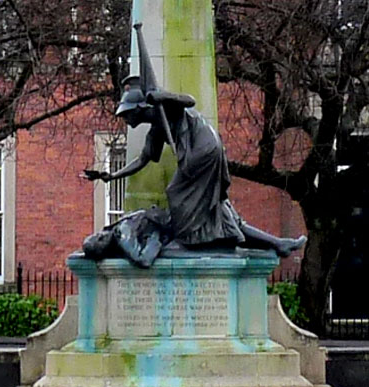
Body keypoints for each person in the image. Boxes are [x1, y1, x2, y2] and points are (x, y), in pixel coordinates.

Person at [84, 81, 307, 260]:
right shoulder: (157, 129)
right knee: (220, 211)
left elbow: (189, 100)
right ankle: (279, 244)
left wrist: (162, 97)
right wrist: (112, 175)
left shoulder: (167, 109)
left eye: (126, 114)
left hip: (204, 150)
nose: (125, 118)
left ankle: (187, 239)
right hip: (202, 155)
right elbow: (143, 160)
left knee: (175, 193)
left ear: (140, 108)